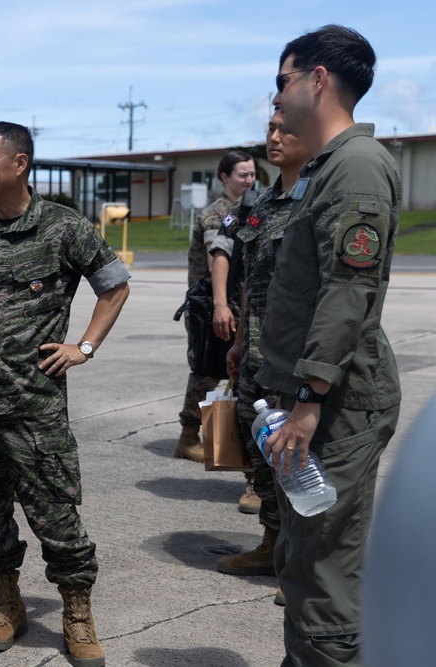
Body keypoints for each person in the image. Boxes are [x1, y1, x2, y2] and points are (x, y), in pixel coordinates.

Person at [0, 122, 130, 666]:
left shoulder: (64, 229)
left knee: (56, 516)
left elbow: (114, 285)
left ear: (19, 164)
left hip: (35, 407)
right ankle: (7, 603)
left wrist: (84, 347)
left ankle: (76, 613)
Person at [258, 25, 401, 666]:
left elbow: (349, 291)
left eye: (283, 81)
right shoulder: (327, 169)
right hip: (317, 400)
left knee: (321, 574)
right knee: (308, 555)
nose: (276, 98)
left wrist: (312, 397)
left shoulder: (357, 169)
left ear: (318, 79)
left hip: (337, 405)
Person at [209, 110, 312, 585]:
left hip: (297, 358)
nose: (273, 138)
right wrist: (239, 340)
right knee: (262, 451)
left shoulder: (318, 198)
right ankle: (272, 544)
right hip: (255, 352)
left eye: (283, 130)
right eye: (270, 130)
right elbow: (246, 269)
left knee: (299, 458)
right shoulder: (259, 203)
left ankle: (302, 564)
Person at [176, 151, 256, 465]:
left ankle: (224, 436)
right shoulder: (217, 214)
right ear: (224, 177)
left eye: (252, 174)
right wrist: (223, 305)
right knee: (207, 371)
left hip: (238, 304)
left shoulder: (251, 209)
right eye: (242, 175)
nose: (249, 180)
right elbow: (216, 260)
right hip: (212, 306)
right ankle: (188, 436)